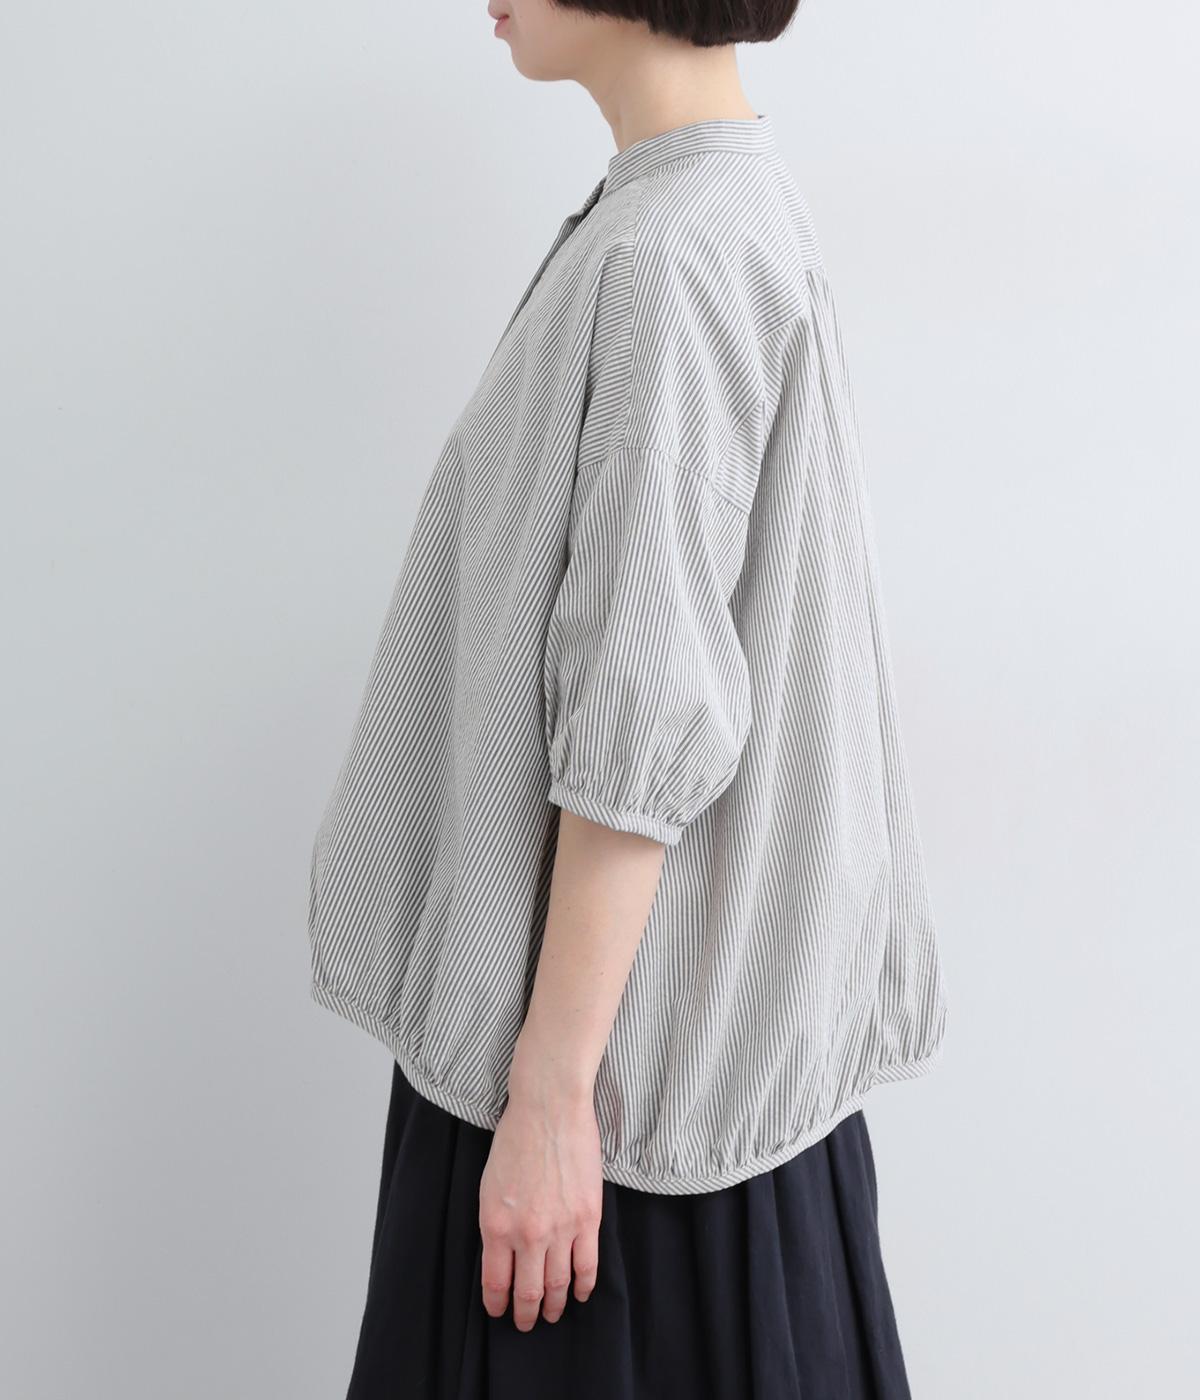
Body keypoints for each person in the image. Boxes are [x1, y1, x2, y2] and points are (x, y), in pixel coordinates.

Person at [307, 2, 951, 1394]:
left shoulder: (674, 253)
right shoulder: (688, 210)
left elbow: (644, 713)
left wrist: (548, 1098)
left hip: (617, 1098)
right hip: (649, 1057)